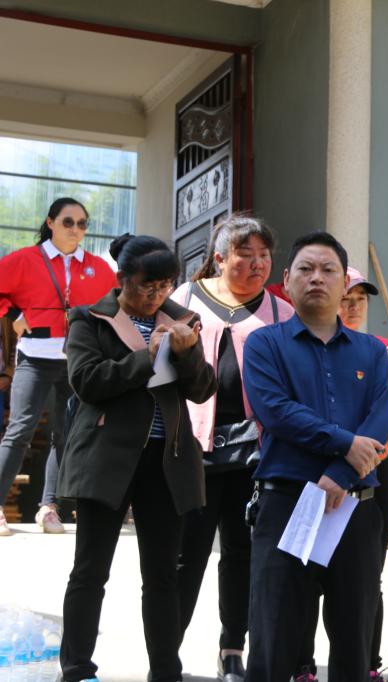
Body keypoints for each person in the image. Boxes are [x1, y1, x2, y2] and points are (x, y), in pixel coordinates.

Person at [58, 235, 216, 682]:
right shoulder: (89, 318)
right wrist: (145, 359)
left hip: (167, 460)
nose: (156, 295)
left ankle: (166, 670)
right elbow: (86, 381)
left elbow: (202, 389)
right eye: (148, 285)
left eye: (165, 285)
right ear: (121, 279)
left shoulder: (183, 320)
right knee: (90, 571)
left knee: (164, 573)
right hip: (106, 459)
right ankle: (77, 669)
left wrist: (185, 355)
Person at [242, 231, 388, 682]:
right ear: (286, 279)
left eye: (329, 270)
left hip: (355, 510)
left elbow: (380, 420)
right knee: (273, 636)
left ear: (344, 283)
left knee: (354, 640)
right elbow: (276, 410)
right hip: (286, 503)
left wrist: (342, 473)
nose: (317, 278)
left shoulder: (372, 351)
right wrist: (345, 444)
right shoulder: (264, 344)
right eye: (306, 269)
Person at [171, 215, 294, 682]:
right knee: (186, 554)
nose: (258, 264)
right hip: (192, 449)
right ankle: (168, 648)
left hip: (253, 454)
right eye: (246, 255)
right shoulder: (185, 299)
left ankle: (232, 648)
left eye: (264, 255)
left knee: (241, 553)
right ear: (220, 258)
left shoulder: (281, 312)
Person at [0, 197, 116, 535]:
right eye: (68, 222)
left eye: (82, 223)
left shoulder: (98, 267)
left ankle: (48, 507)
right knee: (19, 431)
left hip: (78, 361)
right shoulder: (25, 259)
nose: (75, 229)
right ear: (50, 223)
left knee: (66, 436)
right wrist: (13, 315)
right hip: (34, 357)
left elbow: (115, 306)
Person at [339, 266, 388, 681]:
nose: (353, 308)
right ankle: (302, 665)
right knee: (311, 572)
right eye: (346, 299)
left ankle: (370, 663)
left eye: (360, 301)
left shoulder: (383, 348)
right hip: (329, 462)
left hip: (375, 464)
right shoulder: (315, 345)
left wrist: (374, 446)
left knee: (371, 570)